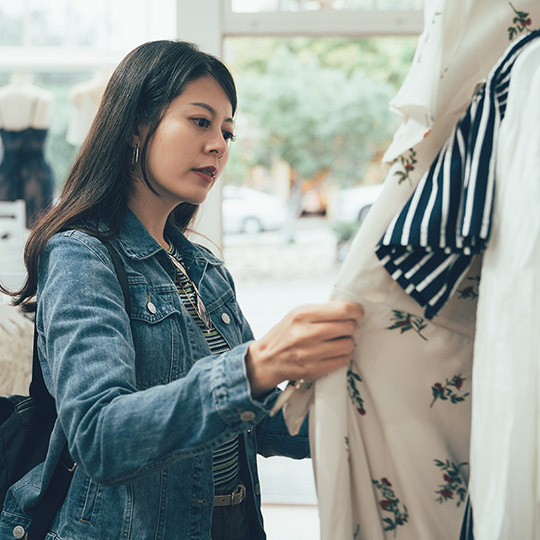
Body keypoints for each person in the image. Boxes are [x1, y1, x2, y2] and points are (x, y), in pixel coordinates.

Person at [0, 40, 363, 540]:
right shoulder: (81, 254)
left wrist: (367, 397)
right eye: (200, 121)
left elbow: (259, 423)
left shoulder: (204, 267)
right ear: (135, 125)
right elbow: (100, 436)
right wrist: (256, 365)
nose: (218, 144)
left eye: (227, 131)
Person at [0, 73, 55, 227]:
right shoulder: (44, 97)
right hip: (34, 174)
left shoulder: (44, 98)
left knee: (35, 228)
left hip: (8, 175)